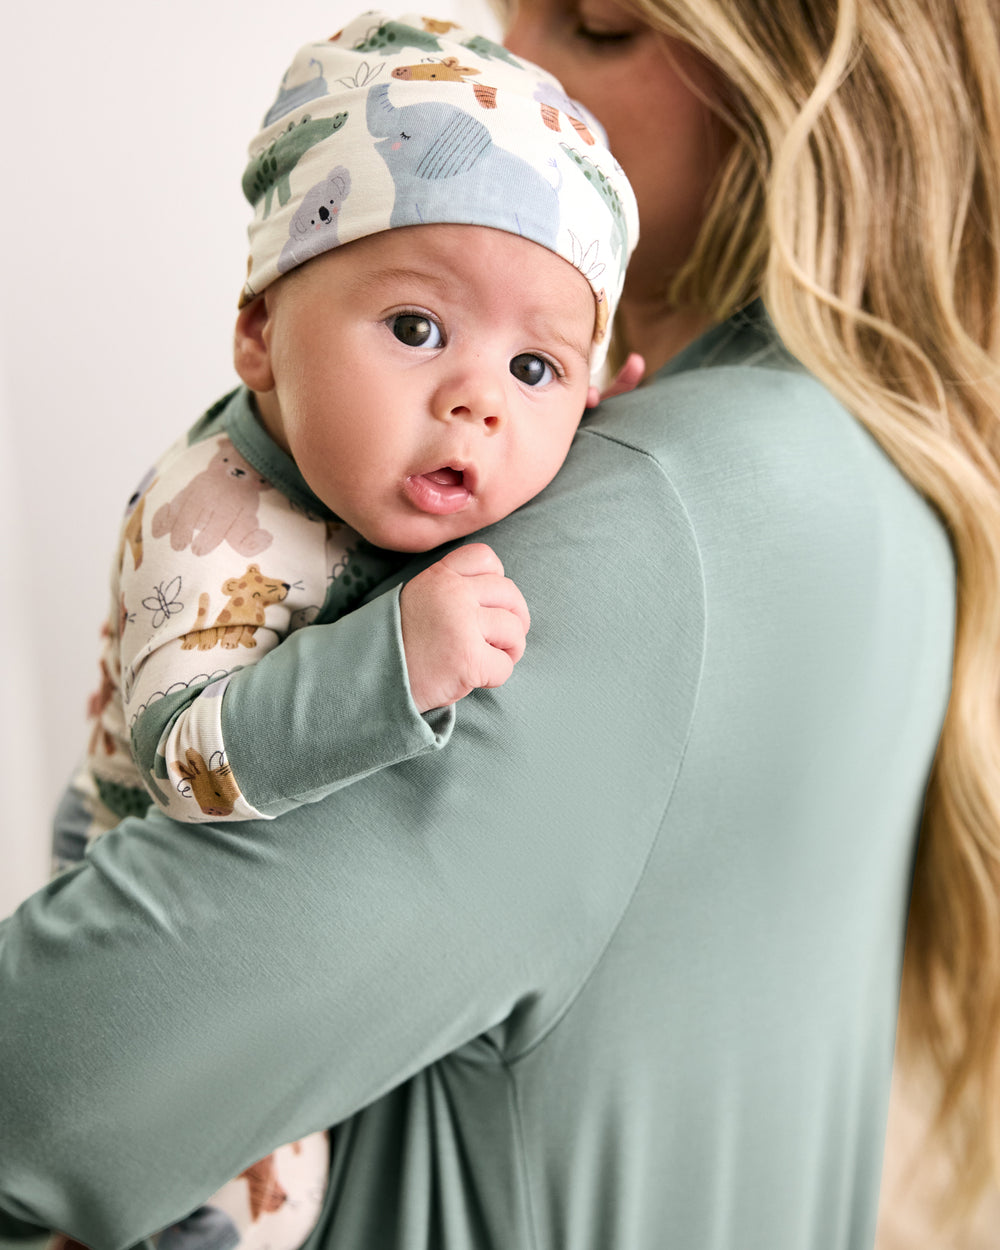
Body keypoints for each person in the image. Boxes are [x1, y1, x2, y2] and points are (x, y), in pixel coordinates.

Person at [1, 0, 996, 1247]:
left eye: (596, 26)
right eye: (416, 330)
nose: (514, 78)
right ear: (259, 330)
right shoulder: (882, 490)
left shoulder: (642, 514)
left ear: (806, 90)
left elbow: (44, 1096)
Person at [42, 13, 638, 1250]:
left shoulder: (407, 456)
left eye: (535, 371)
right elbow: (187, 755)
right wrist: (392, 660)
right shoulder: (214, 513)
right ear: (260, 333)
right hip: (162, 970)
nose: (474, 397)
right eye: (418, 328)